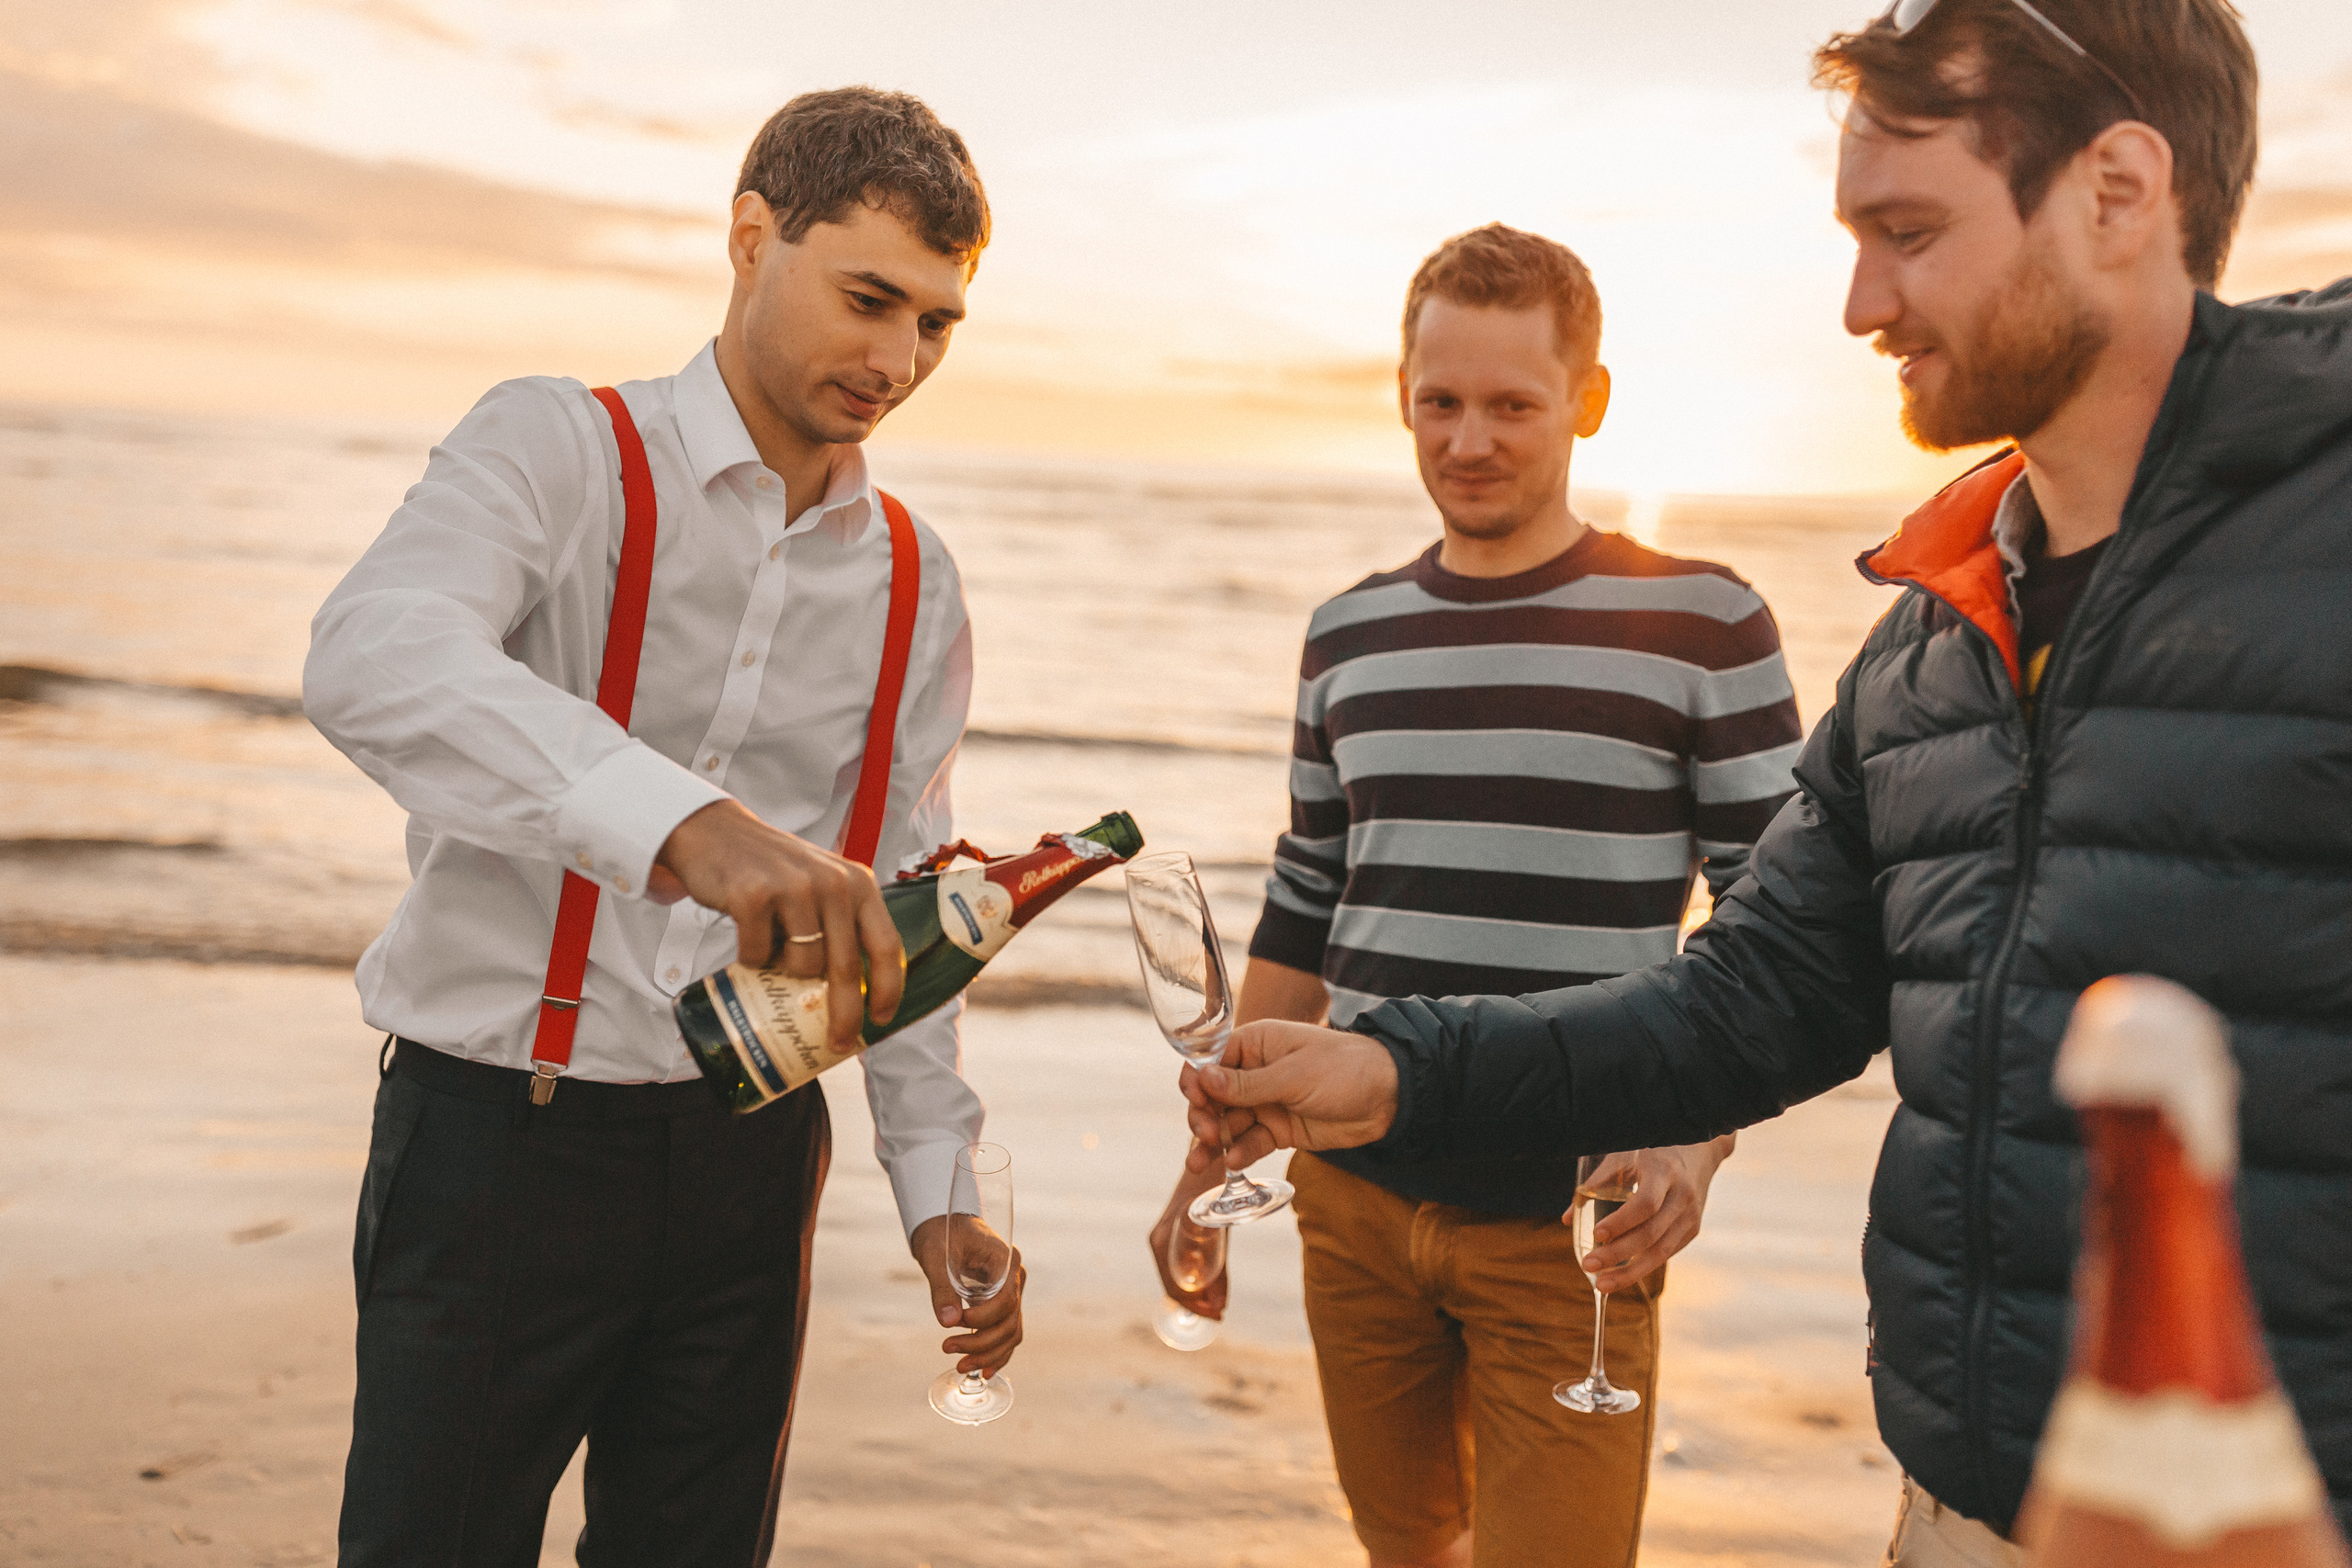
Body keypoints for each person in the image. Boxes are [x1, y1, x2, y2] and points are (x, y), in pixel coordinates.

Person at [1177, 3, 2352, 1563]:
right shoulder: (1932, 640)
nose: (1862, 300)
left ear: (2118, 193)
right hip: (1970, 1500)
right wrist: (1396, 1069)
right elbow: (1745, 1002)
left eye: (1910, 230)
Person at [306, 87, 1023, 1565]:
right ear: (752, 237)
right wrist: (685, 824)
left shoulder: (915, 578)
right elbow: (374, 653)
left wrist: (938, 1186)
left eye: (938, 325)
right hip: (502, 1138)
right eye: (868, 298)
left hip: (753, 1163)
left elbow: (894, 900)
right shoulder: (560, 448)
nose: (898, 360)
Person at [1149, 223, 1804, 1568]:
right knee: (1404, 1551)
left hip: (1572, 1228)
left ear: (1589, 403)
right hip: (1355, 1207)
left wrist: (1696, 1138)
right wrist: (1209, 1154)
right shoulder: (1349, 635)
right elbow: (1310, 896)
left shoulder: (1703, 621)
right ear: (1401, 395)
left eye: (1513, 404)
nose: (1470, 439)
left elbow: (1776, 924)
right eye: (1440, 402)